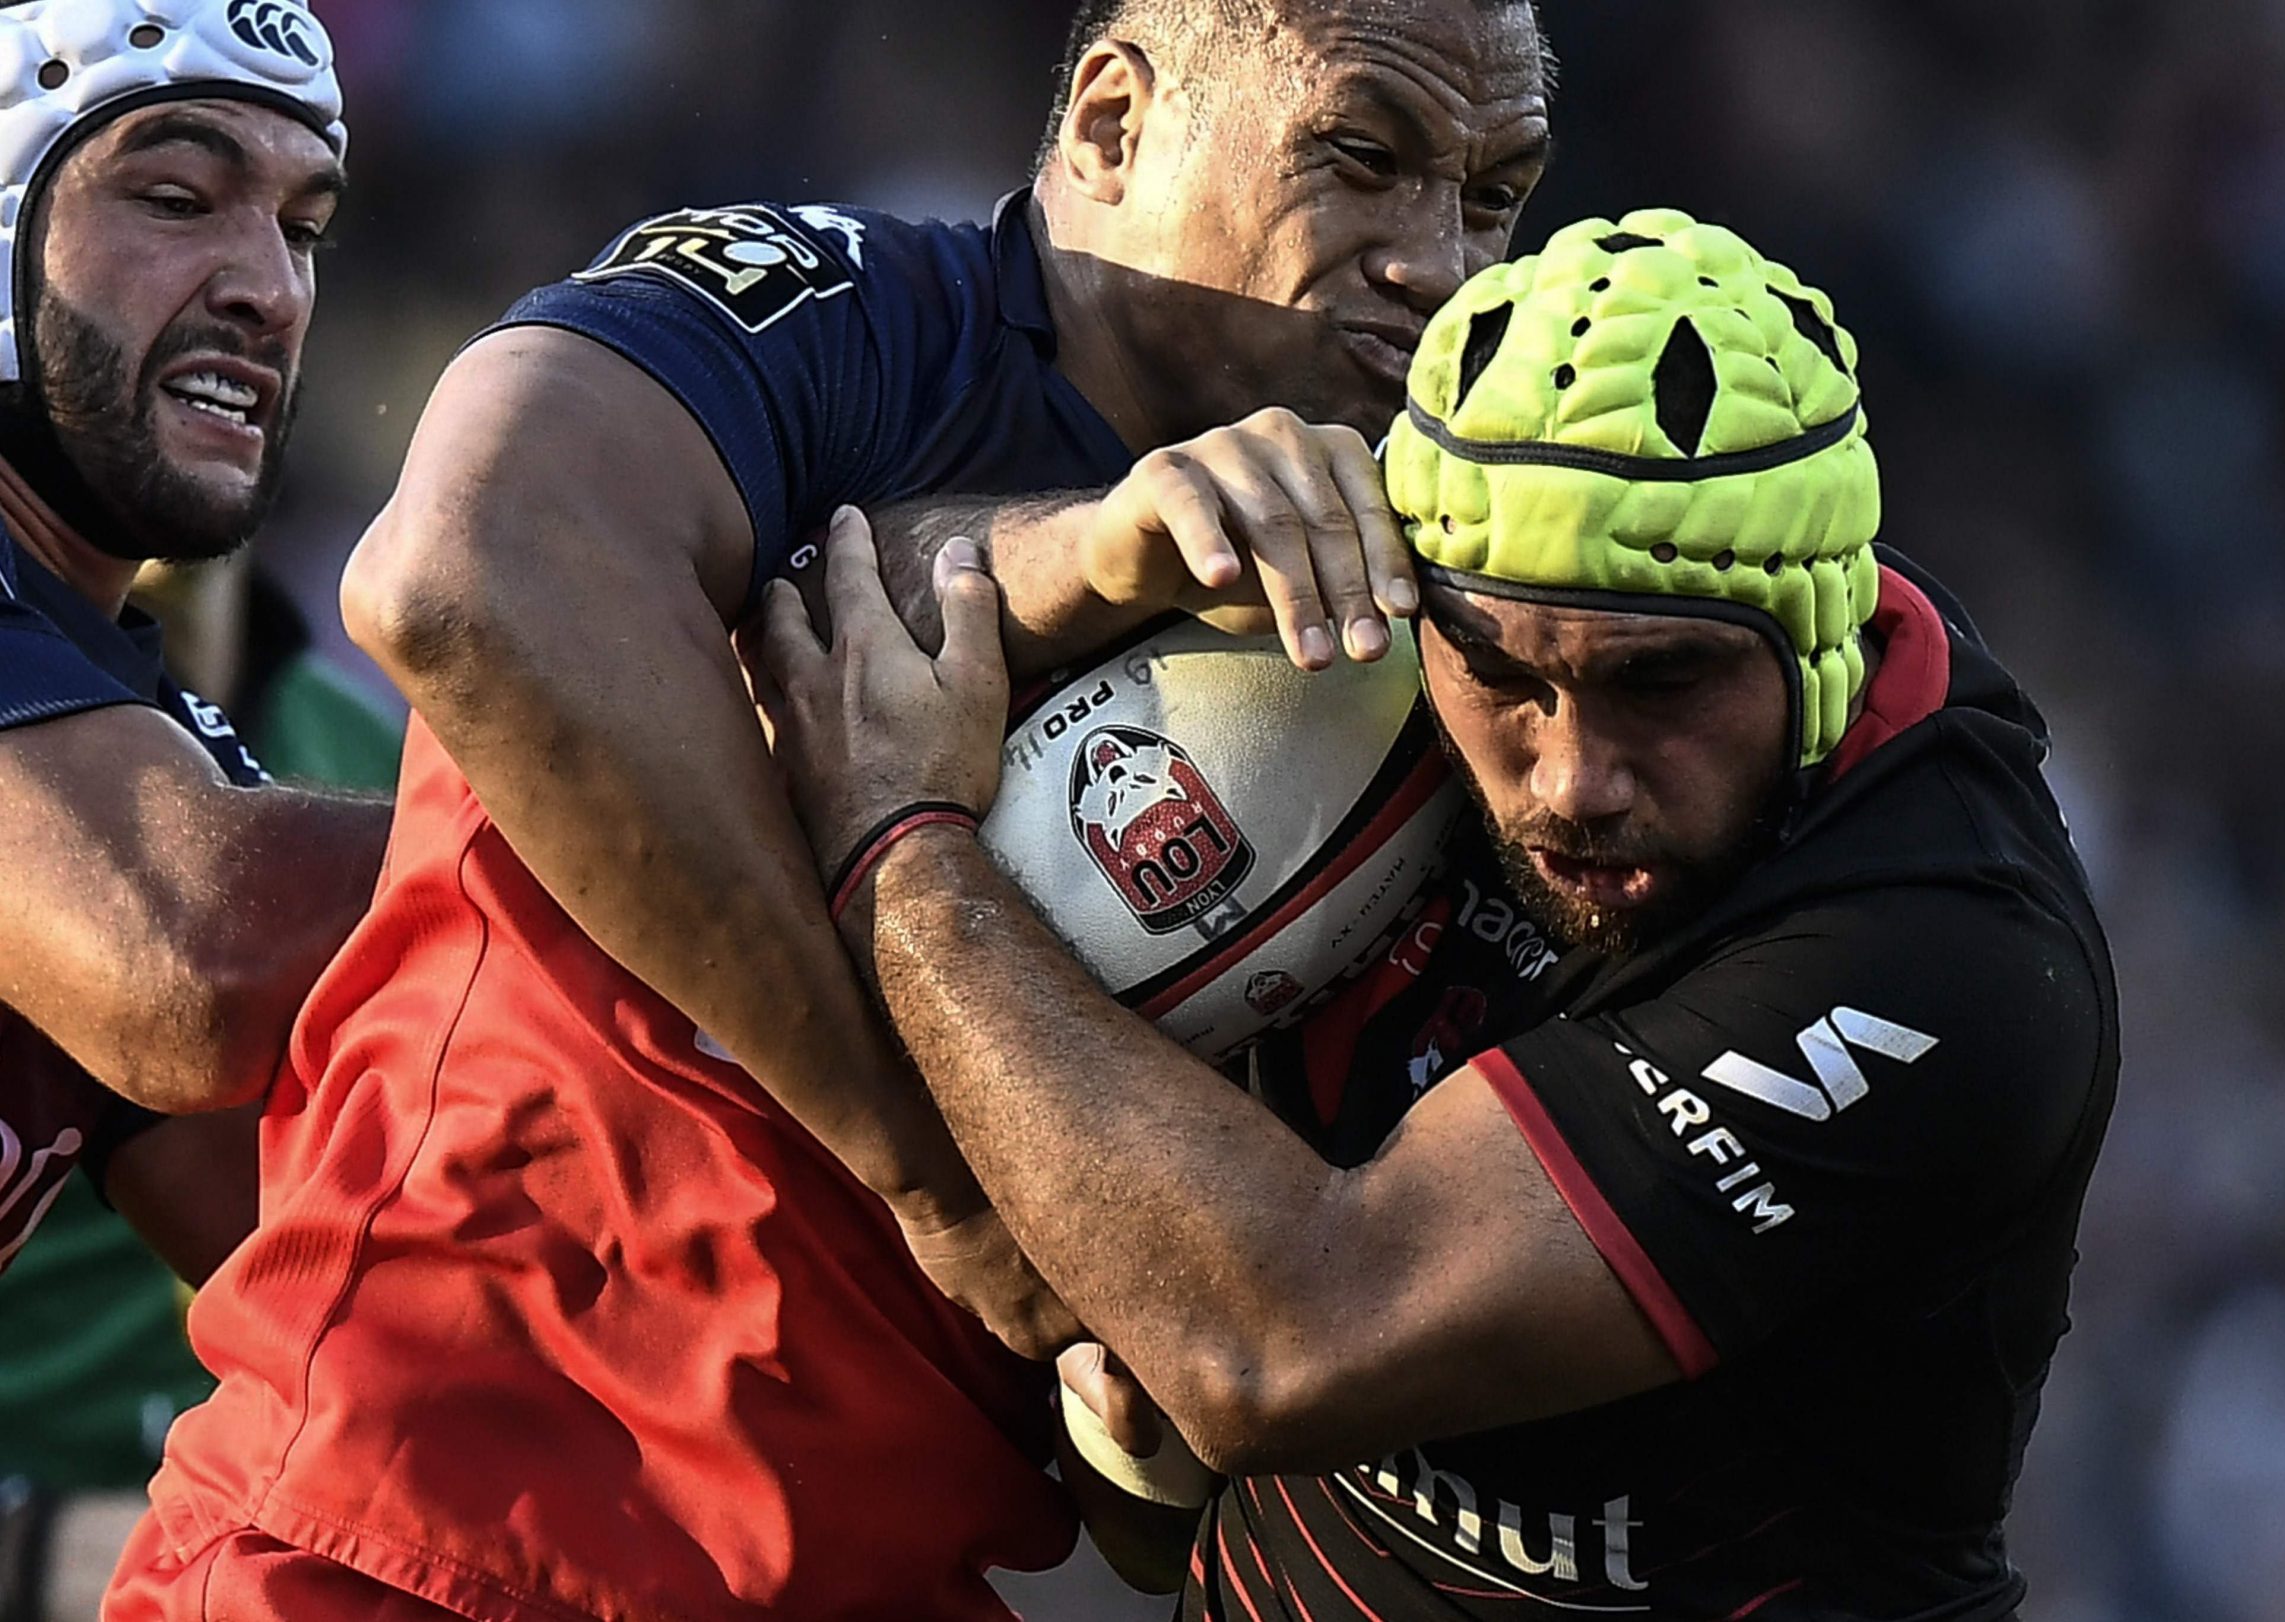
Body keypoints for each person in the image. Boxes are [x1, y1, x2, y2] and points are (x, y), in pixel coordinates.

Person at [114, 2, 1554, 1619]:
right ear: (1110, 122)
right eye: (1362, 157)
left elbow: (1158, 1495)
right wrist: (928, 1168)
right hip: (417, 1538)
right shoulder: (835, 317)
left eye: (1493, 197)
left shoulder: (1436, 662)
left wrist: (1138, 1369)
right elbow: (458, 574)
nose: (1439, 264)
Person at [750, 212, 2120, 1619]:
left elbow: (1277, 1350)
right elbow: (819, 602)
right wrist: (1100, 551)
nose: (1573, 779)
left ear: (1820, 644)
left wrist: (904, 858)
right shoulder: (1399, 614)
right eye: (1504, 676)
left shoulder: (1948, 956)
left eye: (1663, 683)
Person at [0, 0, 384, 1610]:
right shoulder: (140, 837)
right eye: (175, 196)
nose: (268, 287)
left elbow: (340, 1284)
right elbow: (193, 950)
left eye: (303, 227)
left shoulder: (122, 713)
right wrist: (669, 777)